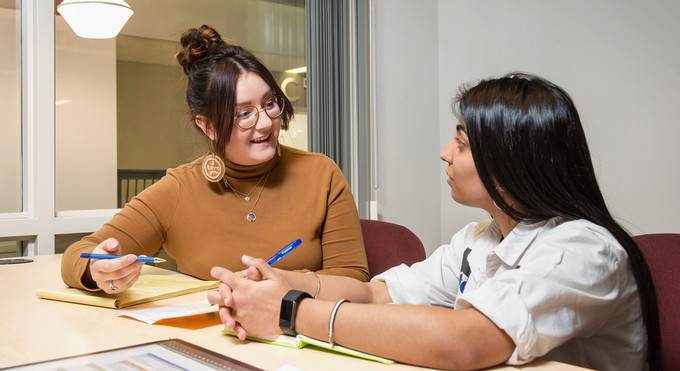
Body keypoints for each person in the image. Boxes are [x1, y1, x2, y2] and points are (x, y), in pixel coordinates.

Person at [207, 73, 660, 371]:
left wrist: (291, 312)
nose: (445, 153)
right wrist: (282, 282)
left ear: (509, 160)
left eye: (461, 144)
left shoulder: (582, 250)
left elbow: (465, 342)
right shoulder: (480, 238)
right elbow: (375, 293)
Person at [61, 25, 369, 294]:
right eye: (244, 113)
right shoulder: (179, 188)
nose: (265, 123)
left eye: (269, 103)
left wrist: (285, 282)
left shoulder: (320, 174)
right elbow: (80, 254)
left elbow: (353, 280)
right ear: (207, 125)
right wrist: (97, 272)